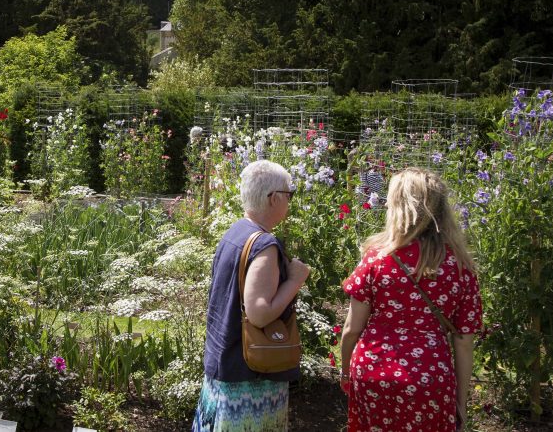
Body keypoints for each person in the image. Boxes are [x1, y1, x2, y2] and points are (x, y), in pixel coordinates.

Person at [340, 168, 482, 432]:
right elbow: (463, 342)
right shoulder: (460, 266)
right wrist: (460, 402)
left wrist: (345, 370)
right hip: (430, 377)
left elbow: (351, 329)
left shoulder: (376, 259)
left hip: (373, 370)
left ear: (396, 206)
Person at [193, 159, 311, 432]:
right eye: (289, 195)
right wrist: (294, 280)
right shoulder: (264, 245)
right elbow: (259, 312)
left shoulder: (236, 232)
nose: (289, 201)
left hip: (224, 365)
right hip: (250, 378)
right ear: (273, 199)